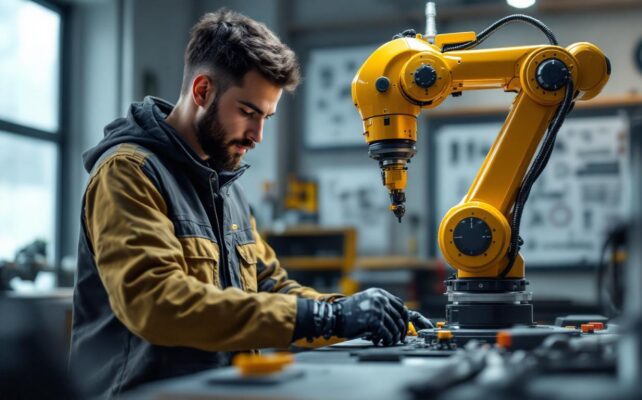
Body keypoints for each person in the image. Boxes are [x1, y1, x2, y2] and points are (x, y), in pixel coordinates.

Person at [69, 9, 433, 398]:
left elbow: (271, 287)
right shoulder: (129, 173)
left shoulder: (226, 186)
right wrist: (329, 317)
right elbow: (157, 304)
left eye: (267, 117)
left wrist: (358, 315)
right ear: (202, 91)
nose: (257, 135)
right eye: (248, 112)